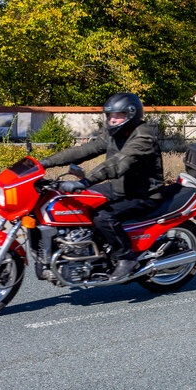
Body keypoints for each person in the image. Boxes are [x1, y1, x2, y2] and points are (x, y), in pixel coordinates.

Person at [40, 92, 164, 280]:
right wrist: (45, 162)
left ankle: (126, 258)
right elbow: (86, 150)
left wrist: (86, 181)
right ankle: (89, 248)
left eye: (118, 116)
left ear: (131, 115)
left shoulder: (143, 136)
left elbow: (118, 163)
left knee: (103, 216)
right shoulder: (114, 133)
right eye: (110, 116)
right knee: (75, 203)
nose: (112, 120)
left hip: (144, 194)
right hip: (119, 187)